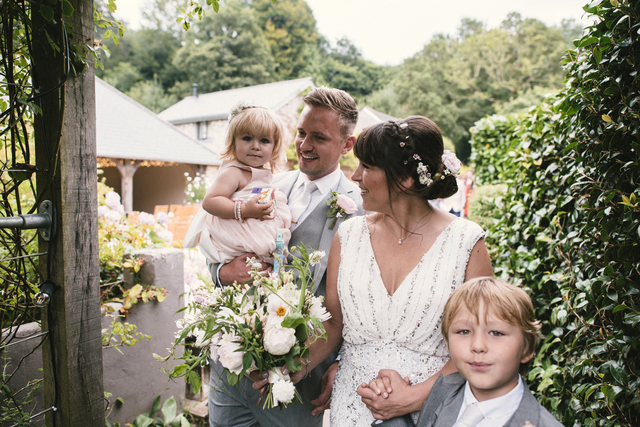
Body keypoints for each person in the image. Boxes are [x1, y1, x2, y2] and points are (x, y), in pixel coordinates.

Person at [293, 116, 494, 426]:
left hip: (434, 409)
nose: (355, 176)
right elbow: (333, 326)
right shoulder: (347, 236)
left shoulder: (466, 242)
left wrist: (413, 398)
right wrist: (286, 368)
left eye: (367, 167)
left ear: (404, 179)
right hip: (353, 407)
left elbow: (482, 342)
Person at [208, 87, 365, 427]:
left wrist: (343, 364)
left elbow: (363, 305)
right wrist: (223, 273)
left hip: (296, 382)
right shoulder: (258, 182)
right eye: (301, 133)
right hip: (230, 371)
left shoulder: (362, 210)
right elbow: (214, 240)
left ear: (347, 145)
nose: (304, 146)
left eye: (319, 138)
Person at [375, 277, 563, 427]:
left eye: (496, 333)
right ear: (448, 341)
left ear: (527, 349)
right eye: (464, 331)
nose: (478, 345)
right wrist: (388, 404)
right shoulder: (445, 389)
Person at [184, 104, 291, 266]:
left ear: (274, 147)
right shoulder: (234, 172)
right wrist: (245, 209)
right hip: (236, 232)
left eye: (264, 140)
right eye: (247, 139)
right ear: (233, 142)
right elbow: (210, 201)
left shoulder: (264, 173)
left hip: (254, 231)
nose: (255, 146)